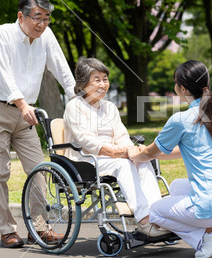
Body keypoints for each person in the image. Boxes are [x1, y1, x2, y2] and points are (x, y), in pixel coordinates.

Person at [128, 60, 212, 258]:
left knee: (156, 211)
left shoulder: (180, 120)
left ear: (183, 89)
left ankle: (208, 238)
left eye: (175, 83)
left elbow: (150, 153)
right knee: (177, 187)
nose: (175, 86)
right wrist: (150, 153)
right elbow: (187, 148)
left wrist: (134, 153)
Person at [0, 0, 76, 248]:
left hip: (27, 116)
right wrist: (22, 104)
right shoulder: (3, 34)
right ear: (21, 16)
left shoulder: (46, 36)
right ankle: (6, 230)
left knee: (38, 169)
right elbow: (4, 75)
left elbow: (62, 70)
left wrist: (78, 100)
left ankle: (39, 228)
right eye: (37, 18)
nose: (42, 24)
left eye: (46, 19)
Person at [63, 57, 170, 237]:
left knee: (143, 162)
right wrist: (118, 153)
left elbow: (121, 136)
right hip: (85, 159)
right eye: (97, 79)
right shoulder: (74, 106)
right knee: (124, 164)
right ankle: (144, 221)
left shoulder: (110, 107)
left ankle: (157, 217)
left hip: (112, 156)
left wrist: (133, 152)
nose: (103, 84)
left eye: (105, 79)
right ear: (82, 83)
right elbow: (86, 141)